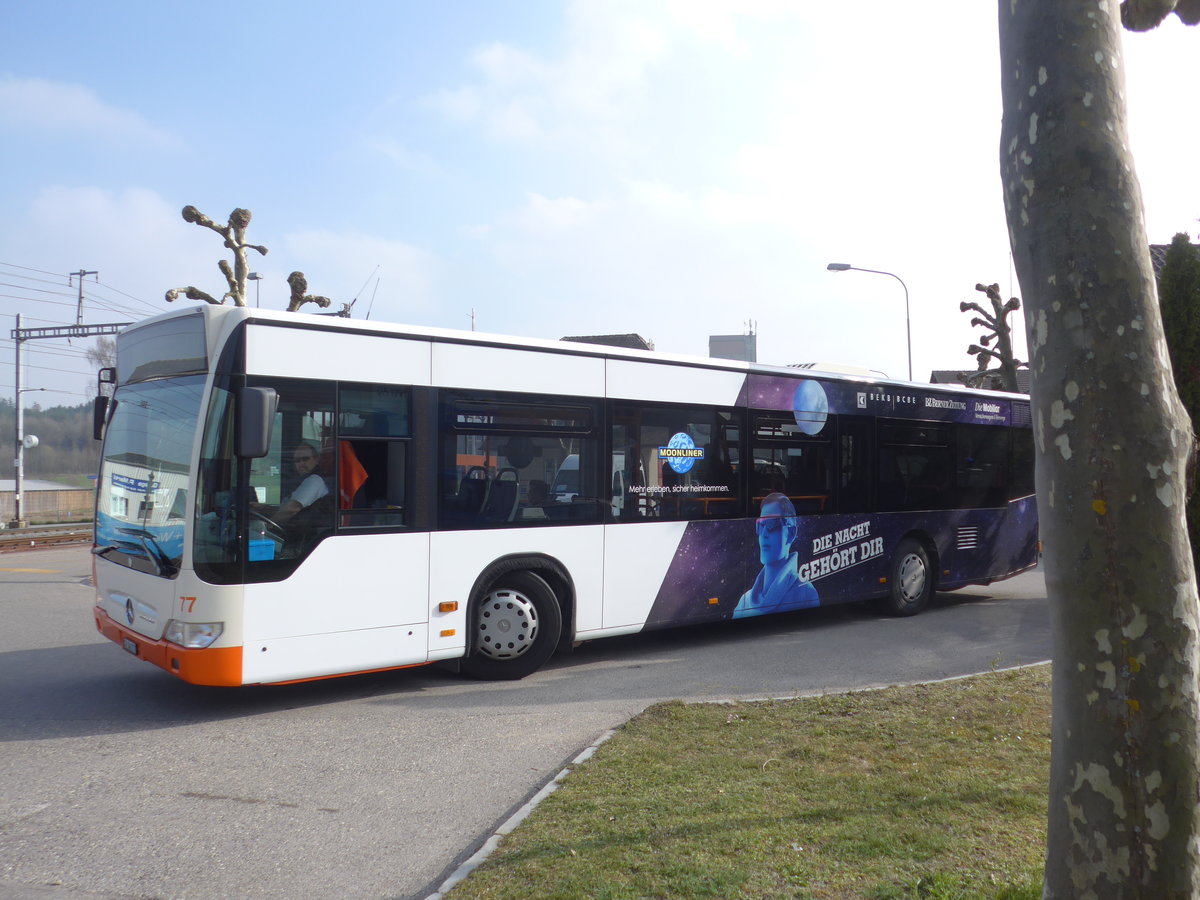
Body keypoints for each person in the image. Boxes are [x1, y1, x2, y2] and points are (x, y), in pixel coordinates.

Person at [733, 492, 819, 619]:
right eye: (761, 525)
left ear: (791, 533)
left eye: (772, 524)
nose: (764, 534)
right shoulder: (744, 601)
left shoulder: (805, 592)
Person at [256, 442, 330, 525]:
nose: (301, 464)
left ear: (316, 460)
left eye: (305, 459)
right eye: (297, 461)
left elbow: (292, 509)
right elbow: (284, 509)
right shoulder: (301, 480)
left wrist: (269, 526)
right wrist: (263, 508)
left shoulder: (315, 480)